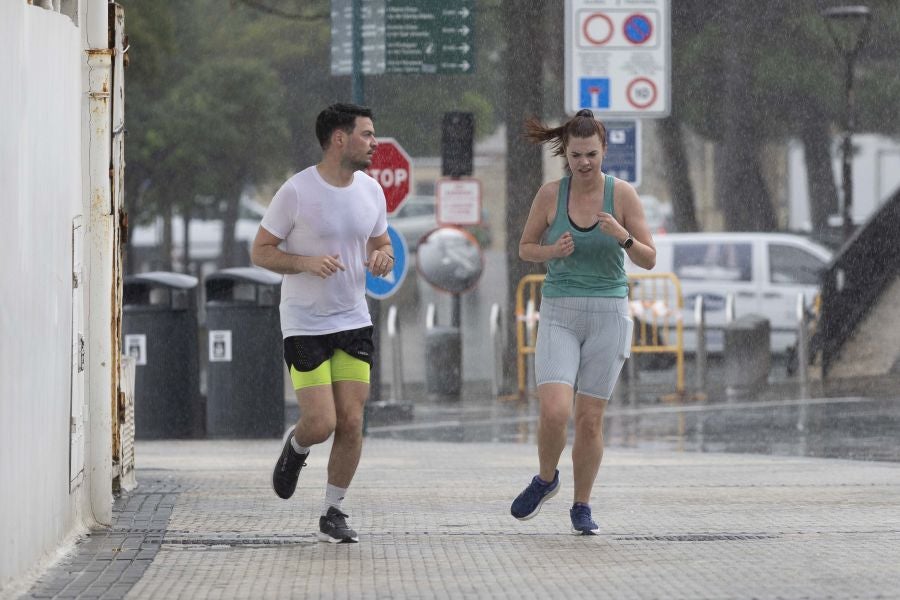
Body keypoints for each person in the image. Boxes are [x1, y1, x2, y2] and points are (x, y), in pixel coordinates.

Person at [251, 103, 393, 544]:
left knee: (351, 420)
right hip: (305, 324)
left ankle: (333, 511)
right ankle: (296, 447)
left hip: (353, 320)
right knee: (321, 422)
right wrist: (305, 263)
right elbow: (260, 251)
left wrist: (383, 258)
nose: (374, 143)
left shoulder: (371, 191)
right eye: (367, 134)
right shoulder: (296, 191)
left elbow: (382, 243)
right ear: (339, 138)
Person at [510, 109, 656, 535]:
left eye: (591, 154)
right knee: (555, 411)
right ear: (566, 154)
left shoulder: (622, 195)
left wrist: (622, 236)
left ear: (604, 150)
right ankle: (545, 479)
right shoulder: (550, 195)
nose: (584, 162)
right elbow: (525, 248)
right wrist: (552, 252)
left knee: (589, 419)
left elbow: (649, 258)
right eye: (576, 155)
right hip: (560, 311)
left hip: (609, 313)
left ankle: (582, 505)